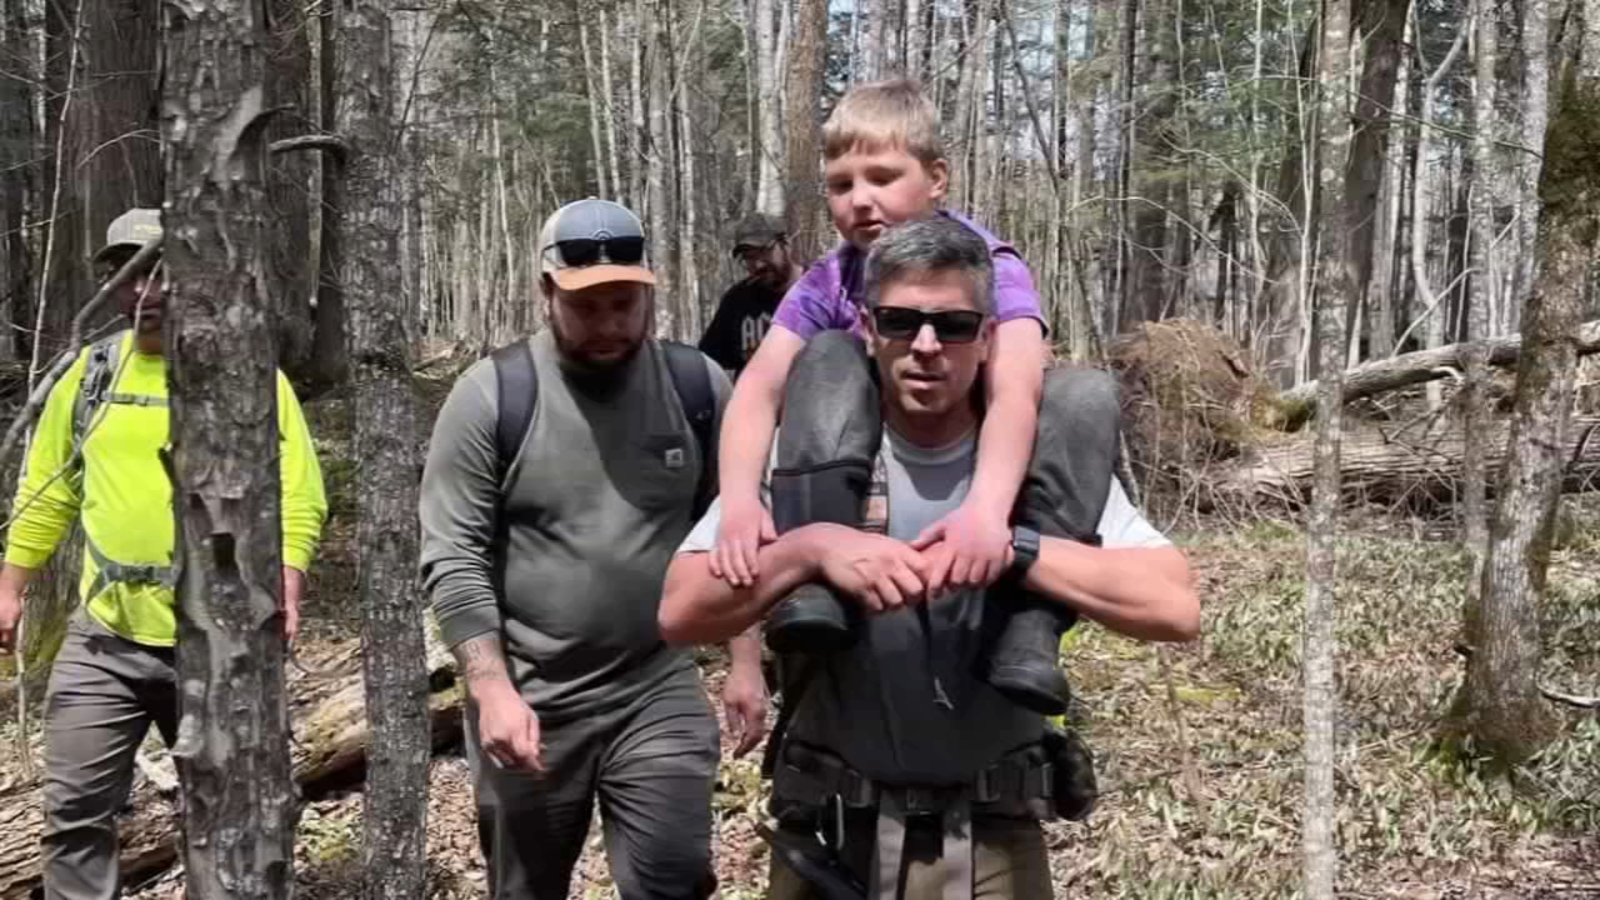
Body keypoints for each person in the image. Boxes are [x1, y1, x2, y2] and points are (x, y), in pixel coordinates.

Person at [660, 218, 1200, 900]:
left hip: (994, 833)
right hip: (829, 827)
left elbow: (1176, 607)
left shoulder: (1038, 467)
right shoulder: (803, 457)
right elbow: (681, 611)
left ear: (988, 336)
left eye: (951, 325)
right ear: (866, 327)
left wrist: (1016, 546)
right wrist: (810, 549)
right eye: (900, 321)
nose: (924, 346)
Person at [418, 198, 767, 900]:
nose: (609, 325)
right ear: (547, 293)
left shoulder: (698, 387)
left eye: (624, 304)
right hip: (532, 695)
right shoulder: (493, 397)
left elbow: (737, 529)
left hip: (656, 686)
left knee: (672, 876)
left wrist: (746, 662)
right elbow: (452, 553)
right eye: (587, 307)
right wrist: (490, 691)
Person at [710, 79, 1076, 716]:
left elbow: (1016, 390)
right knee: (825, 355)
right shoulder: (832, 275)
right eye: (841, 184)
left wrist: (989, 513)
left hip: (972, 461)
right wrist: (739, 504)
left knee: (1084, 396)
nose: (860, 201)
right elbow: (758, 388)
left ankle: (1033, 622)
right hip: (865, 462)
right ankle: (816, 586)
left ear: (937, 179)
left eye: (882, 177)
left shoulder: (989, 265)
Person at [0, 207, 329, 900]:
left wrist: (289, 581)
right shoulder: (87, 376)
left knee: (233, 819)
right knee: (74, 819)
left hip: (220, 641)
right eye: (130, 275)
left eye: (162, 273)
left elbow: (299, 491)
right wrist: (11, 586)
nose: (147, 292)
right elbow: (46, 491)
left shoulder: (247, 377)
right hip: (104, 638)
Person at [698, 213, 803, 380]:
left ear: (786, 244)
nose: (758, 264)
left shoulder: (820, 292)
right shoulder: (738, 300)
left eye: (764, 252)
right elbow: (706, 362)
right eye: (749, 257)